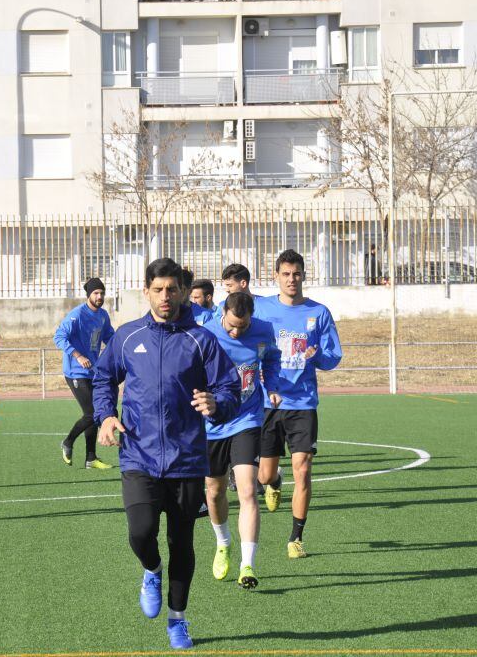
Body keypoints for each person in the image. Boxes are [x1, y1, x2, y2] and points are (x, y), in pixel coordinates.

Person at [93, 258, 239, 651]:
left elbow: (229, 387)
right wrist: (106, 416)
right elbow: (104, 378)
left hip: (187, 459)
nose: (164, 297)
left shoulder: (200, 339)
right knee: (140, 534)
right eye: (157, 290)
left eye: (171, 289)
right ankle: (151, 570)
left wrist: (217, 402)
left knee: (182, 542)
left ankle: (178, 620)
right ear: (146, 291)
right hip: (138, 456)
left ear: (180, 291)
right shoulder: (127, 336)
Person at [255, 250, 343, 559]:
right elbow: (246, 341)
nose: (292, 279)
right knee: (264, 475)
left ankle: (296, 537)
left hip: (303, 403)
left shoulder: (318, 313)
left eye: (297, 274)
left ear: (304, 275)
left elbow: (334, 357)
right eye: (286, 274)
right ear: (276, 276)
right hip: (268, 402)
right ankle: (274, 480)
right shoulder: (261, 309)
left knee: (303, 469)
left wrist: (315, 355)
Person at [202, 292, 281, 590]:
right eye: (232, 326)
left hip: (247, 418)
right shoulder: (205, 333)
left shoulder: (263, 330)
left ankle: (247, 564)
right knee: (214, 491)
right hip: (211, 424)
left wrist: (271, 385)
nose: (237, 332)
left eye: (243, 326)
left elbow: (272, 358)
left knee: (247, 489)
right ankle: (223, 543)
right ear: (223, 311)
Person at [53, 278, 115, 470]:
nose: (100, 297)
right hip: (75, 372)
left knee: (93, 414)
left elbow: (110, 338)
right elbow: (59, 337)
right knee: (93, 412)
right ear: (88, 295)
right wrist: (78, 355)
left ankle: (90, 458)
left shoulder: (103, 315)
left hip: (92, 371)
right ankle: (68, 442)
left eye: (102, 293)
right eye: (96, 293)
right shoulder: (77, 314)